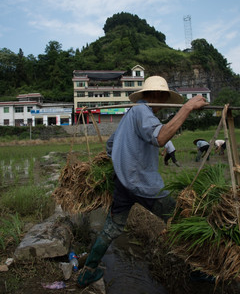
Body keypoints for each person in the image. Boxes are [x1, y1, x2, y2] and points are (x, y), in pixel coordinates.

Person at [77, 75, 211, 288]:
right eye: (164, 97)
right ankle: (197, 270)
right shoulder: (142, 111)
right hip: (143, 185)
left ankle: (88, 272)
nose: (164, 102)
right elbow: (160, 138)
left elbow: (111, 146)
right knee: (182, 220)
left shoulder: (130, 114)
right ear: (156, 95)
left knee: (111, 229)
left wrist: (127, 160)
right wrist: (186, 108)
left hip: (123, 184)